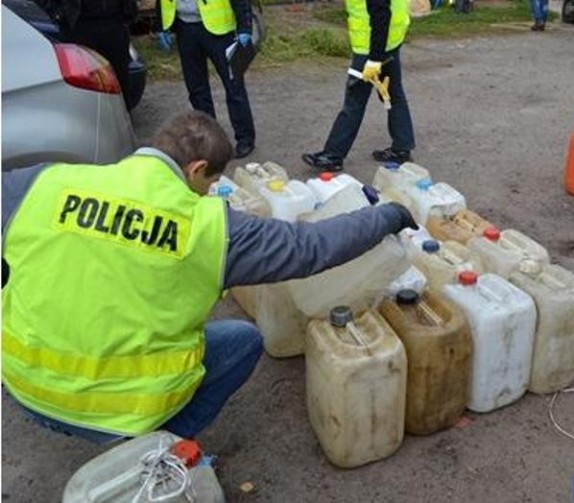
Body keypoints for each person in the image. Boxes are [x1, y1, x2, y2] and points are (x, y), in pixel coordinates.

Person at [1, 111, 417, 444]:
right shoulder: (208, 227)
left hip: (24, 388)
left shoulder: (45, 181)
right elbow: (310, 247)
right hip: (118, 411)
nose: (210, 192)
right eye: (212, 182)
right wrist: (387, 215)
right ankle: (152, 452)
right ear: (196, 168)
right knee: (243, 340)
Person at [301, 0, 415, 172]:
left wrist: (375, 59)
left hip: (371, 46)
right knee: (393, 94)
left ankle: (333, 155)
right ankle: (402, 148)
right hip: (391, 38)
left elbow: (380, 14)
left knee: (354, 102)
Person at [156, 0, 256, 159]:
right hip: (185, 28)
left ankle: (245, 139)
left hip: (220, 31)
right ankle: (208, 140)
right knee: (196, 89)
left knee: (234, 86)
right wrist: (160, 24)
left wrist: (245, 26)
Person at [35, 0, 137, 108]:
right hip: (79, 25)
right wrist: (57, 13)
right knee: (82, 88)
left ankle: (121, 121)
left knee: (120, 83)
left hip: (114, 23)